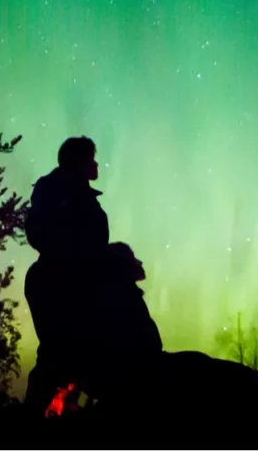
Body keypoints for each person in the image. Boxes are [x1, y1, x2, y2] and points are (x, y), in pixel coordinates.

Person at [24, 137, 160, 412]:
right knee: (58, 354)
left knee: (57, 358)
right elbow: (53, 239)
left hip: (76, 282)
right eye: (91, 159)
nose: (96, 164)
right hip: (65, 286)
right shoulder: (62, 197)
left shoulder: (79, 199)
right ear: (79, 162)